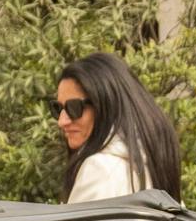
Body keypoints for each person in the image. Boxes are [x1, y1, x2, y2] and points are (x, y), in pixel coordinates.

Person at [53, 52, 182, 203]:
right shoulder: (155, 161)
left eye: (74, 108)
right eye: (57, 108)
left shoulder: (100, 169)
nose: (62, 121)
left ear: (105, 105)